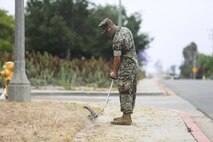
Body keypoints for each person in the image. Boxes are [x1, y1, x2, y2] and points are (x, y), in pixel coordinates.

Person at [98, 18, 138, 125]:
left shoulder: (117, 39)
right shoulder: (126, 30)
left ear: (110, 28)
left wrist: (115, 73)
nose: (106, 34)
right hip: (134, 65)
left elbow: (117, 58)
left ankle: (126, 118)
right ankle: (126, 115)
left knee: (124, 89)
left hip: (126, 67)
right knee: (131, 90)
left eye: (106, 32)